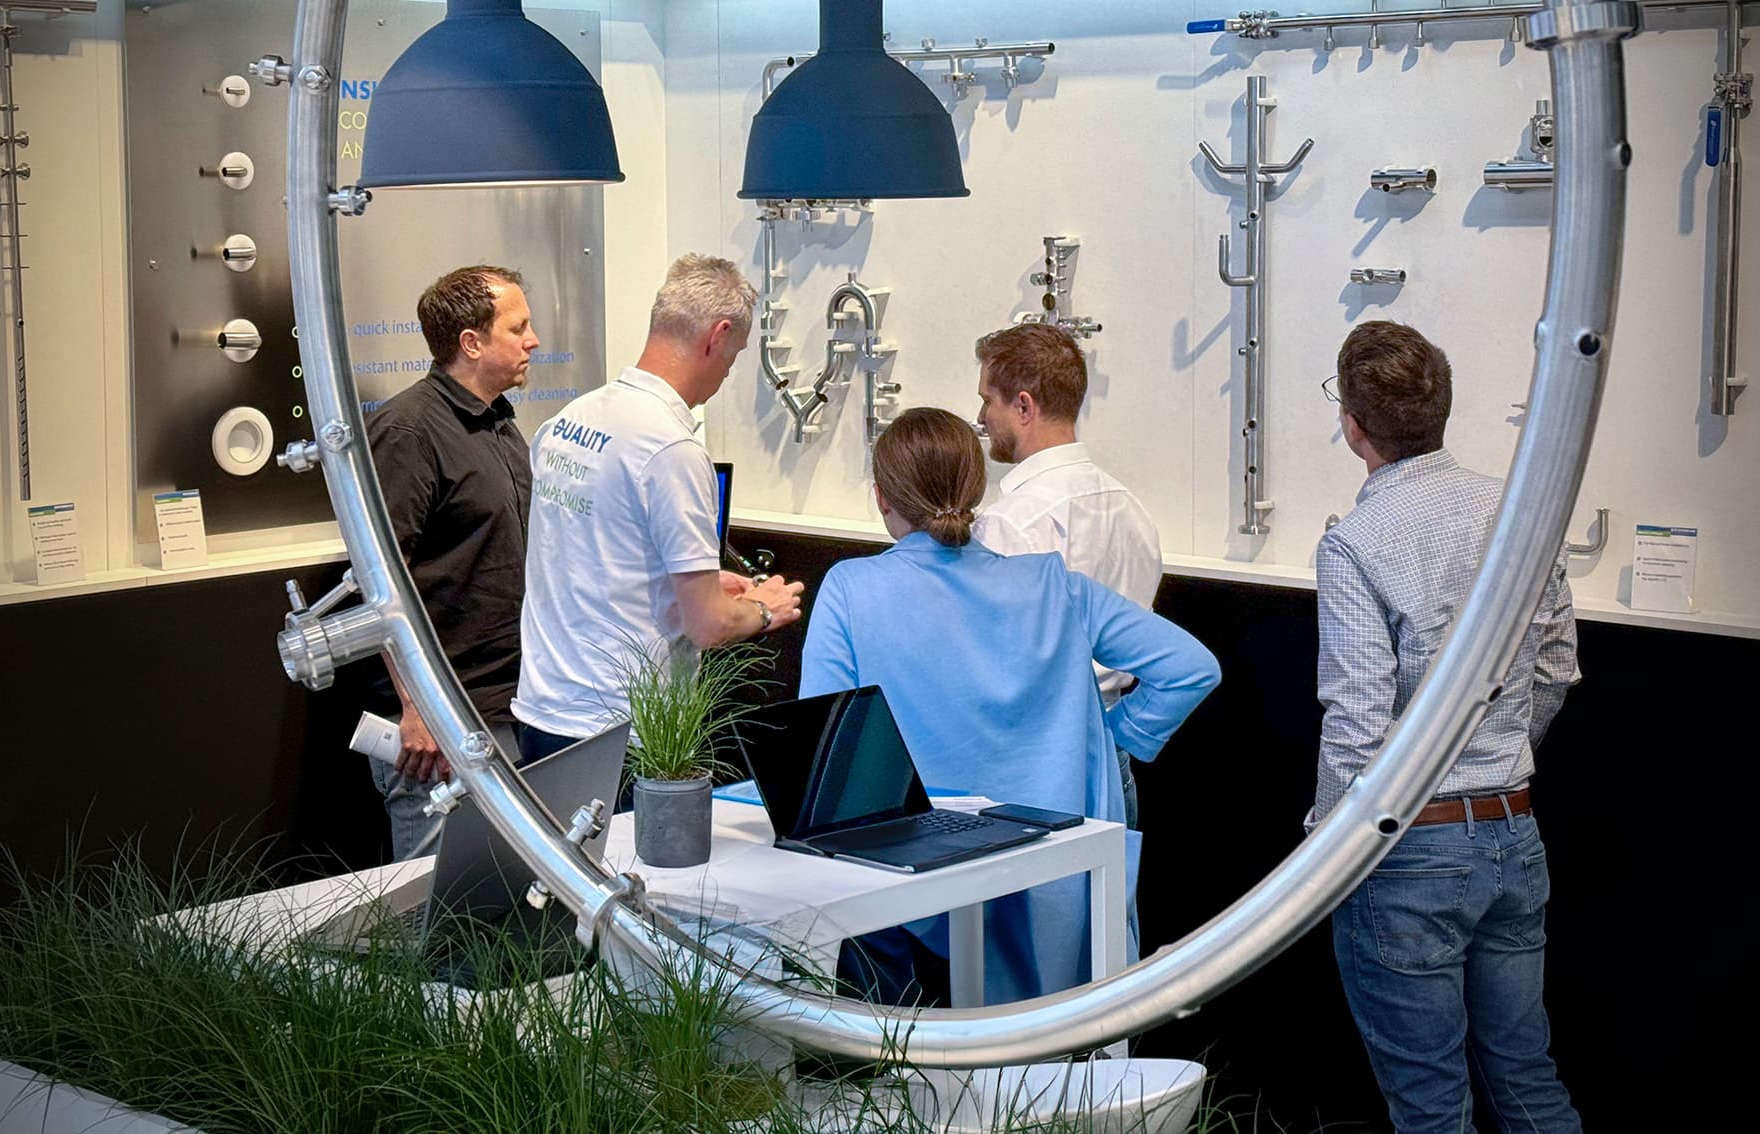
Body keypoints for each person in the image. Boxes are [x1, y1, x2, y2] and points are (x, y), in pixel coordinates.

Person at [800, 407, 1221, 1005]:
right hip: (1052, 885)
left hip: (915, 893)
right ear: (977, 491)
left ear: (881, 498)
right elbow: (1192, 669)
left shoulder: (849, 588)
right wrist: (1107, 737)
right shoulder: (1056, 585)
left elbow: (826, 738)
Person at [1314, 321, 1583, 1133]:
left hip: (1405, 853)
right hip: (1513, 831)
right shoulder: (1521, 510)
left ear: (1354, 425)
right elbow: (1555, 668)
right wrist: (1495, 757)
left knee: (1431, 1110)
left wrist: (1328, 851)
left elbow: (1357, 728)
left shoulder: (1356, 542)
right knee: (1528, 1081)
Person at [513, 254, 804, 766]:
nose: (724, 375)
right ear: (716, 337)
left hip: (544, 717)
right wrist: (764, 610)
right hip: (624, 736)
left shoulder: (567, 421)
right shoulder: (671, 450)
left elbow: (596, 558)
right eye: (732, 358)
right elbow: (708, 626)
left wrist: (695, 581)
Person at [364, 265, 539, 859]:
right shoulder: (407, 431)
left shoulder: (500, 423)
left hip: (506, 709)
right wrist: (417, 709)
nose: (533, 340)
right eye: (518, 328)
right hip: (436, 732)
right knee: (432, 928)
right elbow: (378, 582)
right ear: (472, 343)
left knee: (504, 926)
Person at [970, 323, 1164, 830]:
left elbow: (995, 662)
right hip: (1112, 754)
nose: (981, 418)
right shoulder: (1132, 509)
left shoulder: (1008, 523)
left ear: (1025, 406)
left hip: (1032, 764)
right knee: (1112, 908)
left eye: (988, 400)